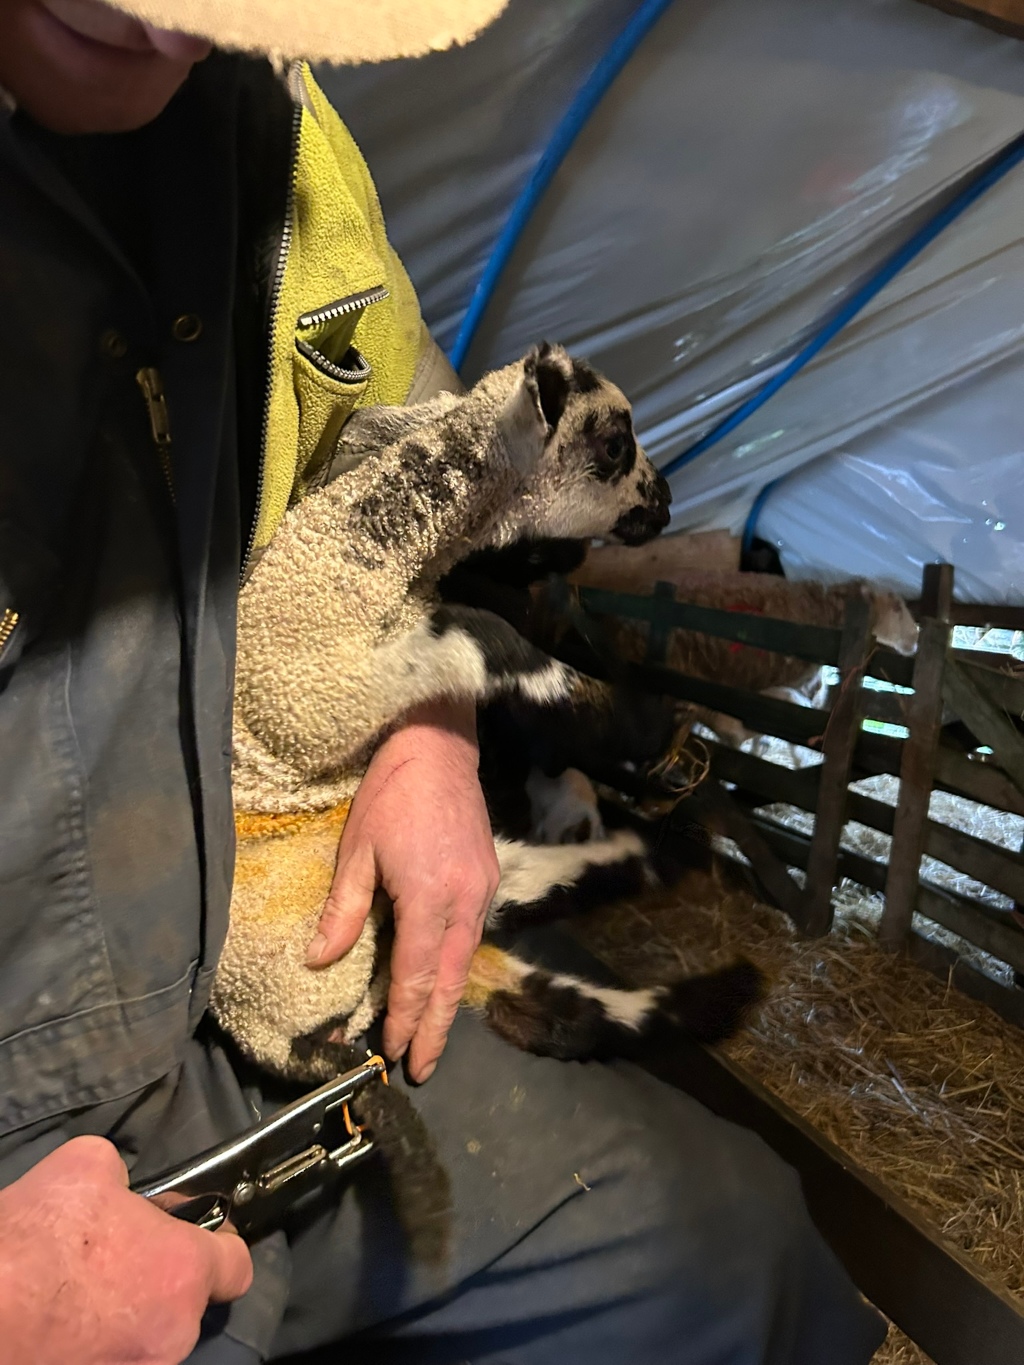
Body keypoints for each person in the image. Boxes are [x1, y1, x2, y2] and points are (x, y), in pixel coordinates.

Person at [0, 1, 888, 1361]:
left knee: (732, 1243)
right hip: (28, 1183)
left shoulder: (274, 130)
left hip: (232, 990)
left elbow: (391, 465)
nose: (165, 27)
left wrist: (426, 728)